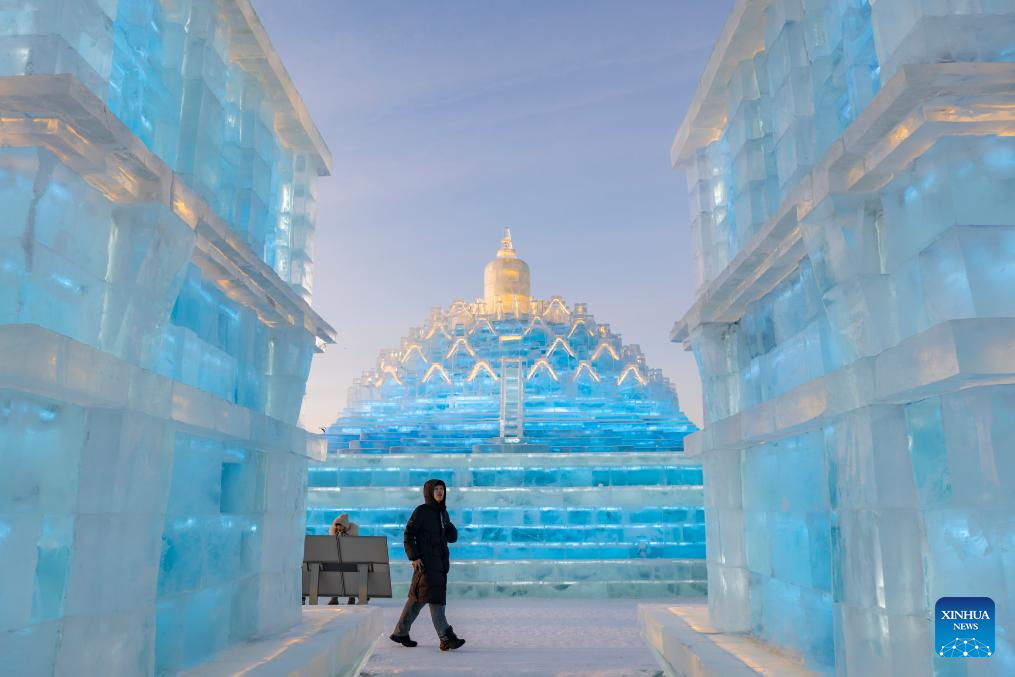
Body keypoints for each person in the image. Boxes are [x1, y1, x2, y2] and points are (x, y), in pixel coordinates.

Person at [389, 479, 465, 651]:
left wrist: (450, 526)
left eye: (442, 489)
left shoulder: (442, 514)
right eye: (436, 489)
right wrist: (414, 557)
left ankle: (400, 632)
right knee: (435, 598)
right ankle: (446, 637)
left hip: (439, 562)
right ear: (429, 492)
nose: (439, 492)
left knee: (417, 598)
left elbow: (451, 538)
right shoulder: (422, 511)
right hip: (425, 563)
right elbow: (409, 534)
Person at [328, 514, 360, 605]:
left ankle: (352, 597)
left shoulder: (352, 533)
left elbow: (353, 546)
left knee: (351, 576)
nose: (339, 529)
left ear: (345, 526)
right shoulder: (335, 533)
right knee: (335, 576)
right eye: (337, 528)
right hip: (338, 559)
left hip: (350, 559)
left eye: (340, 527)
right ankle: (334, 598)